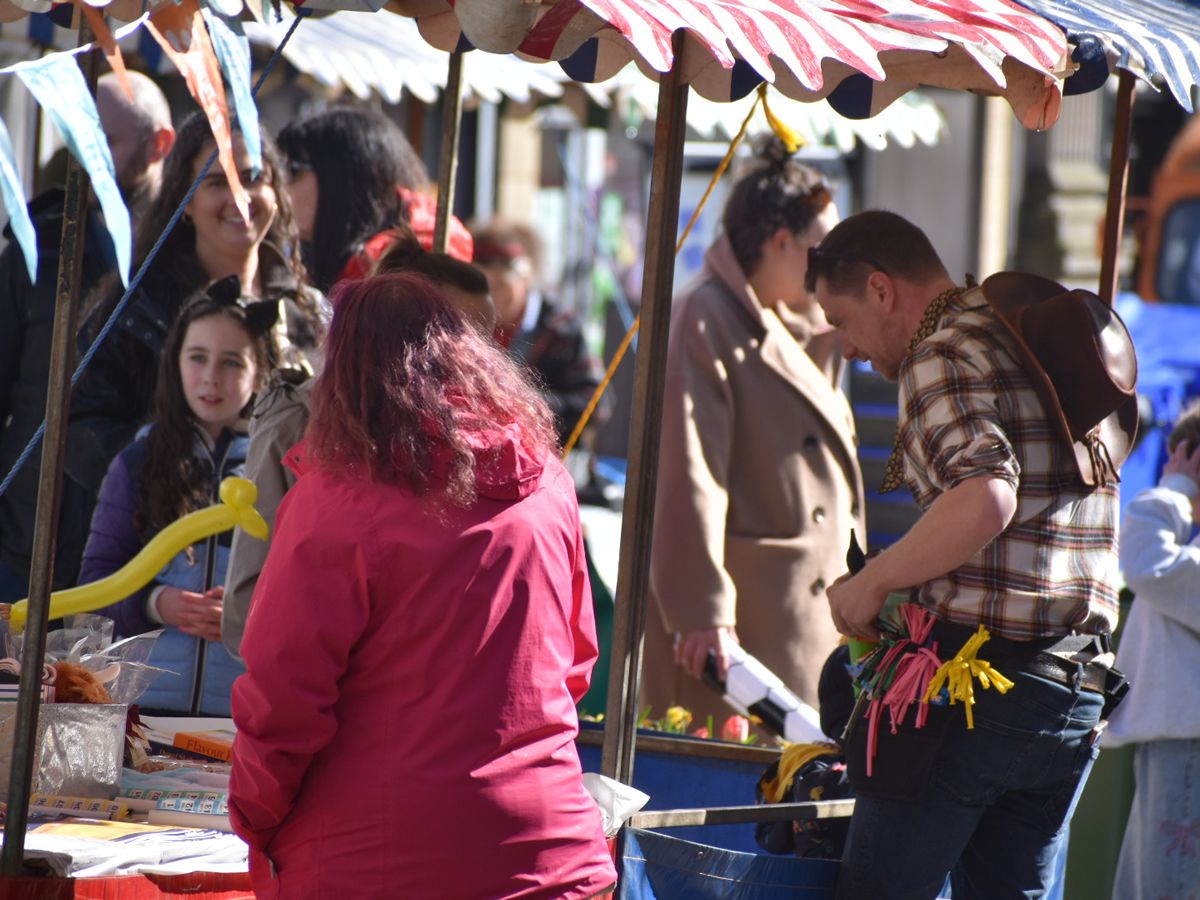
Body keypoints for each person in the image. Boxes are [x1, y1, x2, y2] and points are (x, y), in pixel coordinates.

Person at [229, 272, 617, 898]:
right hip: (551, 853)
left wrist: (252, 815)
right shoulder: (547, 483)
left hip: (380, 862)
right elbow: (573, 664)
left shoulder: (335, 502)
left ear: (345, 376)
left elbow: (283, 700)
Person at [807, 209, 1137, 898]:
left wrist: (873, 582)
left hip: (981, 692)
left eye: (841, 322)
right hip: (1074, 692)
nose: (848, 348)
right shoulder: (1022, 331)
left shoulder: (942, 351)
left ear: (879, 289)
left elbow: (987, 497)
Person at [641, 137, 864, 730]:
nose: (830, 269)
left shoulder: (808, 323)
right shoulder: (705, 314)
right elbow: (689, 466)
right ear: (780, 242)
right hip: (741, 626)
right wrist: (700, 607)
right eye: (821, 251)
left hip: (802, 611)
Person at [220, 238, 494, 656]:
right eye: (460, 339)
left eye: (488, 342)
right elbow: (247, 610)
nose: (479, 362)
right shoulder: (299, 419)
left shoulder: (491, 438)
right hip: (323, 691)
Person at [65, 113, 322, 515]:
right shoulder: (136, 310)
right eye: (218, 182)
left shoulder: (311, 312)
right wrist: (175, 470)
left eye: (253, 177)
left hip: (279, 546)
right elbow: (78, 431)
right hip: (159, 550)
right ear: (184, 200)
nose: (240, 197)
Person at [0, 72, 175, 603]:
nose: (85, 156)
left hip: (136, 552)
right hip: (23, 542)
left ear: (159, 144)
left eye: (104, 141)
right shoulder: (36, 247)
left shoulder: (180, 256)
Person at [79, 279, 274, 715]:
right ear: (175, 362)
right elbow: (94, 583)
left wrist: (249, 612)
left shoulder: (277, 473)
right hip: (141, 713)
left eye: (231, 362)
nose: (211, 377)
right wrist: (156, 602)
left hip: (242, 715)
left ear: (259, 372)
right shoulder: (136, 463)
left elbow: (304, 593)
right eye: (198, 358)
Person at [1108, 400, 1200, 899]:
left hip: (1187, 751)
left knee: (1165, 889)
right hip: (1174, 746)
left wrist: (1177, 489)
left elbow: (1145, 560)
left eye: (1176, 461)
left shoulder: (1185, 562)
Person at [276, 105, 472, 294]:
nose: (278, 187)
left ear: (341, 177)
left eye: (291, 171)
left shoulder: (408, 267)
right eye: (275, 174)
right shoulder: (298, 250)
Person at [471, 218, 605, 445]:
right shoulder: (465, 324)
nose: (491, 300)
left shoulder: (561, 327)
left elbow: (597, 404)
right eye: (481, 288)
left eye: (500, 287)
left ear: (525, 278)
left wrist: (524, 403)